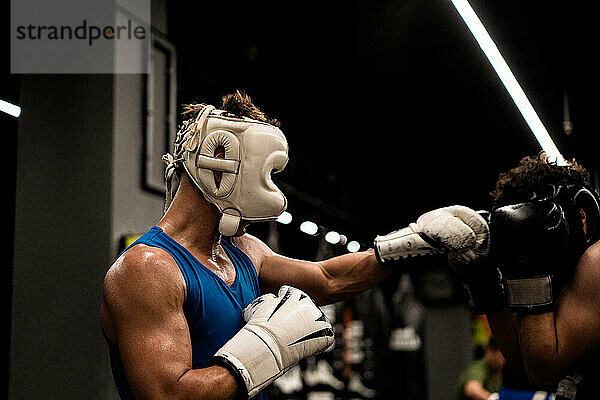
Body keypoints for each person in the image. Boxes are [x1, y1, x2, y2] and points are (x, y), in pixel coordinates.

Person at [100, 91, 489, 400]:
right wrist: (267, 348)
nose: (274, 195)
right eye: (265, 174)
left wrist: (408, 243)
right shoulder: (149, 269)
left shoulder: (245, 251)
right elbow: (167, 396)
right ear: (219, 160)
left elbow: (326, 278)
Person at [451, 153, 600, 400]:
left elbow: (544, 370)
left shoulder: (596, 259)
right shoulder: (563, 279)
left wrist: (529, 260)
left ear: (582, 217)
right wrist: (485, 279)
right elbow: (526, 365)